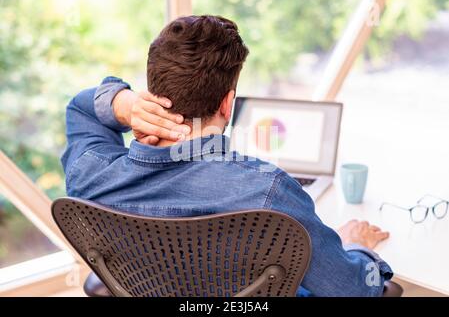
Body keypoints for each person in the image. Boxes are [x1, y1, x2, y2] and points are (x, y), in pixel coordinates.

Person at [62, 15, 393, 296]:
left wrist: (124, 104)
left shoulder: (91, 174)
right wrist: (355, 246)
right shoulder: (268, 193)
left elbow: (82, 108)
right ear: (227, 103)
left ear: (152, 92)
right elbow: (352, 289)